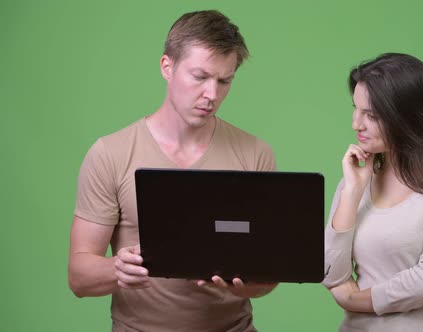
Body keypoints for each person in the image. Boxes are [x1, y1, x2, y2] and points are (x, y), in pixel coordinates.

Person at [68, 10, 277, 332]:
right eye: (200, 76)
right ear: (168, 67)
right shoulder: (110, 153)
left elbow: (267, 279)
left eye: (224, 81)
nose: (212, 95)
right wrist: (117, 269)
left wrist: (240, 285)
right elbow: (79, 277)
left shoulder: (255, 154)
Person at [323, 53, 423, 332]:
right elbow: (330, 272)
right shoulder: (355, 180)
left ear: (408, 116)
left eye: (372, 115)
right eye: (355, 109)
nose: (357, 124)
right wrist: (352, 193)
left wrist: (355, 299)